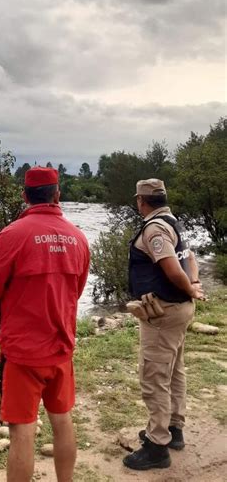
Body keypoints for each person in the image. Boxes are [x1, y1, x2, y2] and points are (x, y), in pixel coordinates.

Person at [0, 166, 90, 482]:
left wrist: (7, 310)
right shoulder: (79, 238)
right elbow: (75, 292)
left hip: (23, 354)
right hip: (61, 349)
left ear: (24, 196)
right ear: (57, 194)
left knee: (22, 432)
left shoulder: (12, 235)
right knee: (62, 420)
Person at [123, 178, 204, 471]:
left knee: (154, 376)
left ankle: (157, 446)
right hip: (180, 310)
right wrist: (193, 284)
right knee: (175, 370)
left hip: (163, 312)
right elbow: (190, 257)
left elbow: (171, 267)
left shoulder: (155, 227)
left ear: (140, 201)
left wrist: (190, 287)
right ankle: (174, 429)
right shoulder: (173, 222)